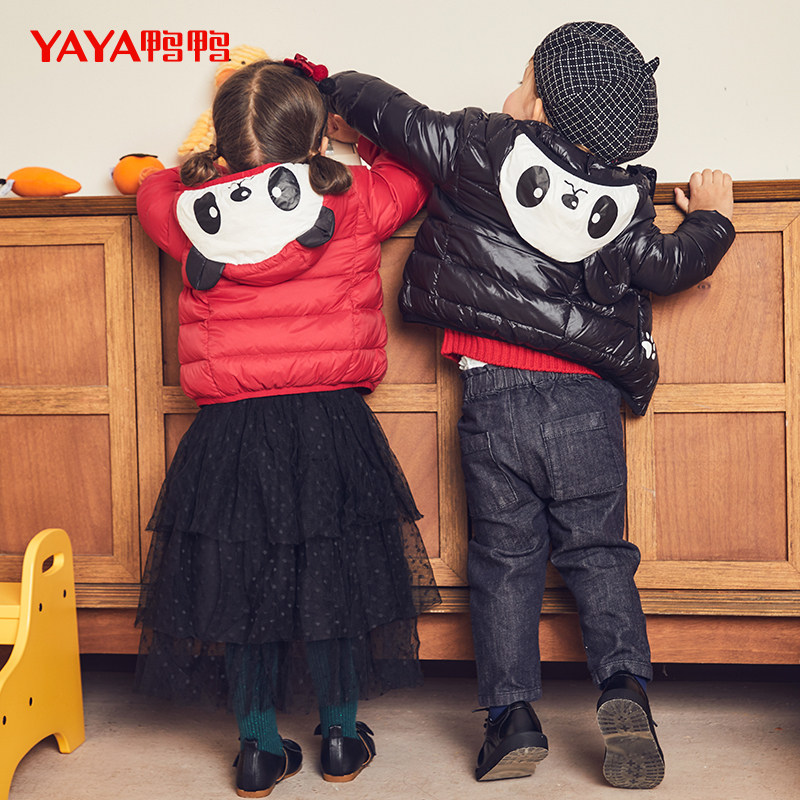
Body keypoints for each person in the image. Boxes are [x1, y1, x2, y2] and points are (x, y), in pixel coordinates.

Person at [325, 21, 735, 790]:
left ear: (541, 104)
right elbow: (672, 264)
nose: (510, 93)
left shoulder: (478, 146)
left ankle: (511, 718)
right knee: (599, 554)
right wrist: (713, 216)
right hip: (585, 404)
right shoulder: (625, 204)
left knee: (504, 562)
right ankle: (625, 690)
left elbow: (391, 110)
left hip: (492, 399)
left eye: (523, 81)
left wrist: (329, 90)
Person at [134, 55, 438, 798]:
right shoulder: (354, 196)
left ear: (223, 145)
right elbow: (415, 173)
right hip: (330, 423)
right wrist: (354, 141)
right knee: (336, 576)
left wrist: (205, 161)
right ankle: (339, 737)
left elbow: (149, 189)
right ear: (314, 138)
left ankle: (258, 749)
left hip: (231, 431)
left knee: (244, 586)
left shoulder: (192, 211)